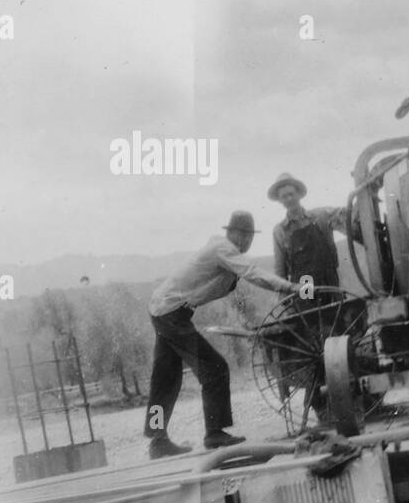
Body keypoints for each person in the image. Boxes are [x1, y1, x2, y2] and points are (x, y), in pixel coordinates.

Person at [145, 211, 300, 459]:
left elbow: (235, 293)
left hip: (166, 310)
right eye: (247, 237)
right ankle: (214, 434)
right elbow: (253, 273)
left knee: (165, 377)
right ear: (237, 234)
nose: (248, 243)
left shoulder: (225, 253)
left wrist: (251, 323)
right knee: (214, 368)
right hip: (170, 312)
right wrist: (291, 287)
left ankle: (157, 441)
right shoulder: (224, 248)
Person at [268, 173, 352, 291]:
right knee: (311, 309)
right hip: (304, 288)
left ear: (299, 194)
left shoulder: (321, 216)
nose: (289, 199)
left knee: (336, 309)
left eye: (291, 194)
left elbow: (348, 216)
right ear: (280, 200)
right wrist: (284, 297)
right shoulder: (280, 230)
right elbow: (280, 270)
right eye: (284, 196)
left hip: (330, 282)